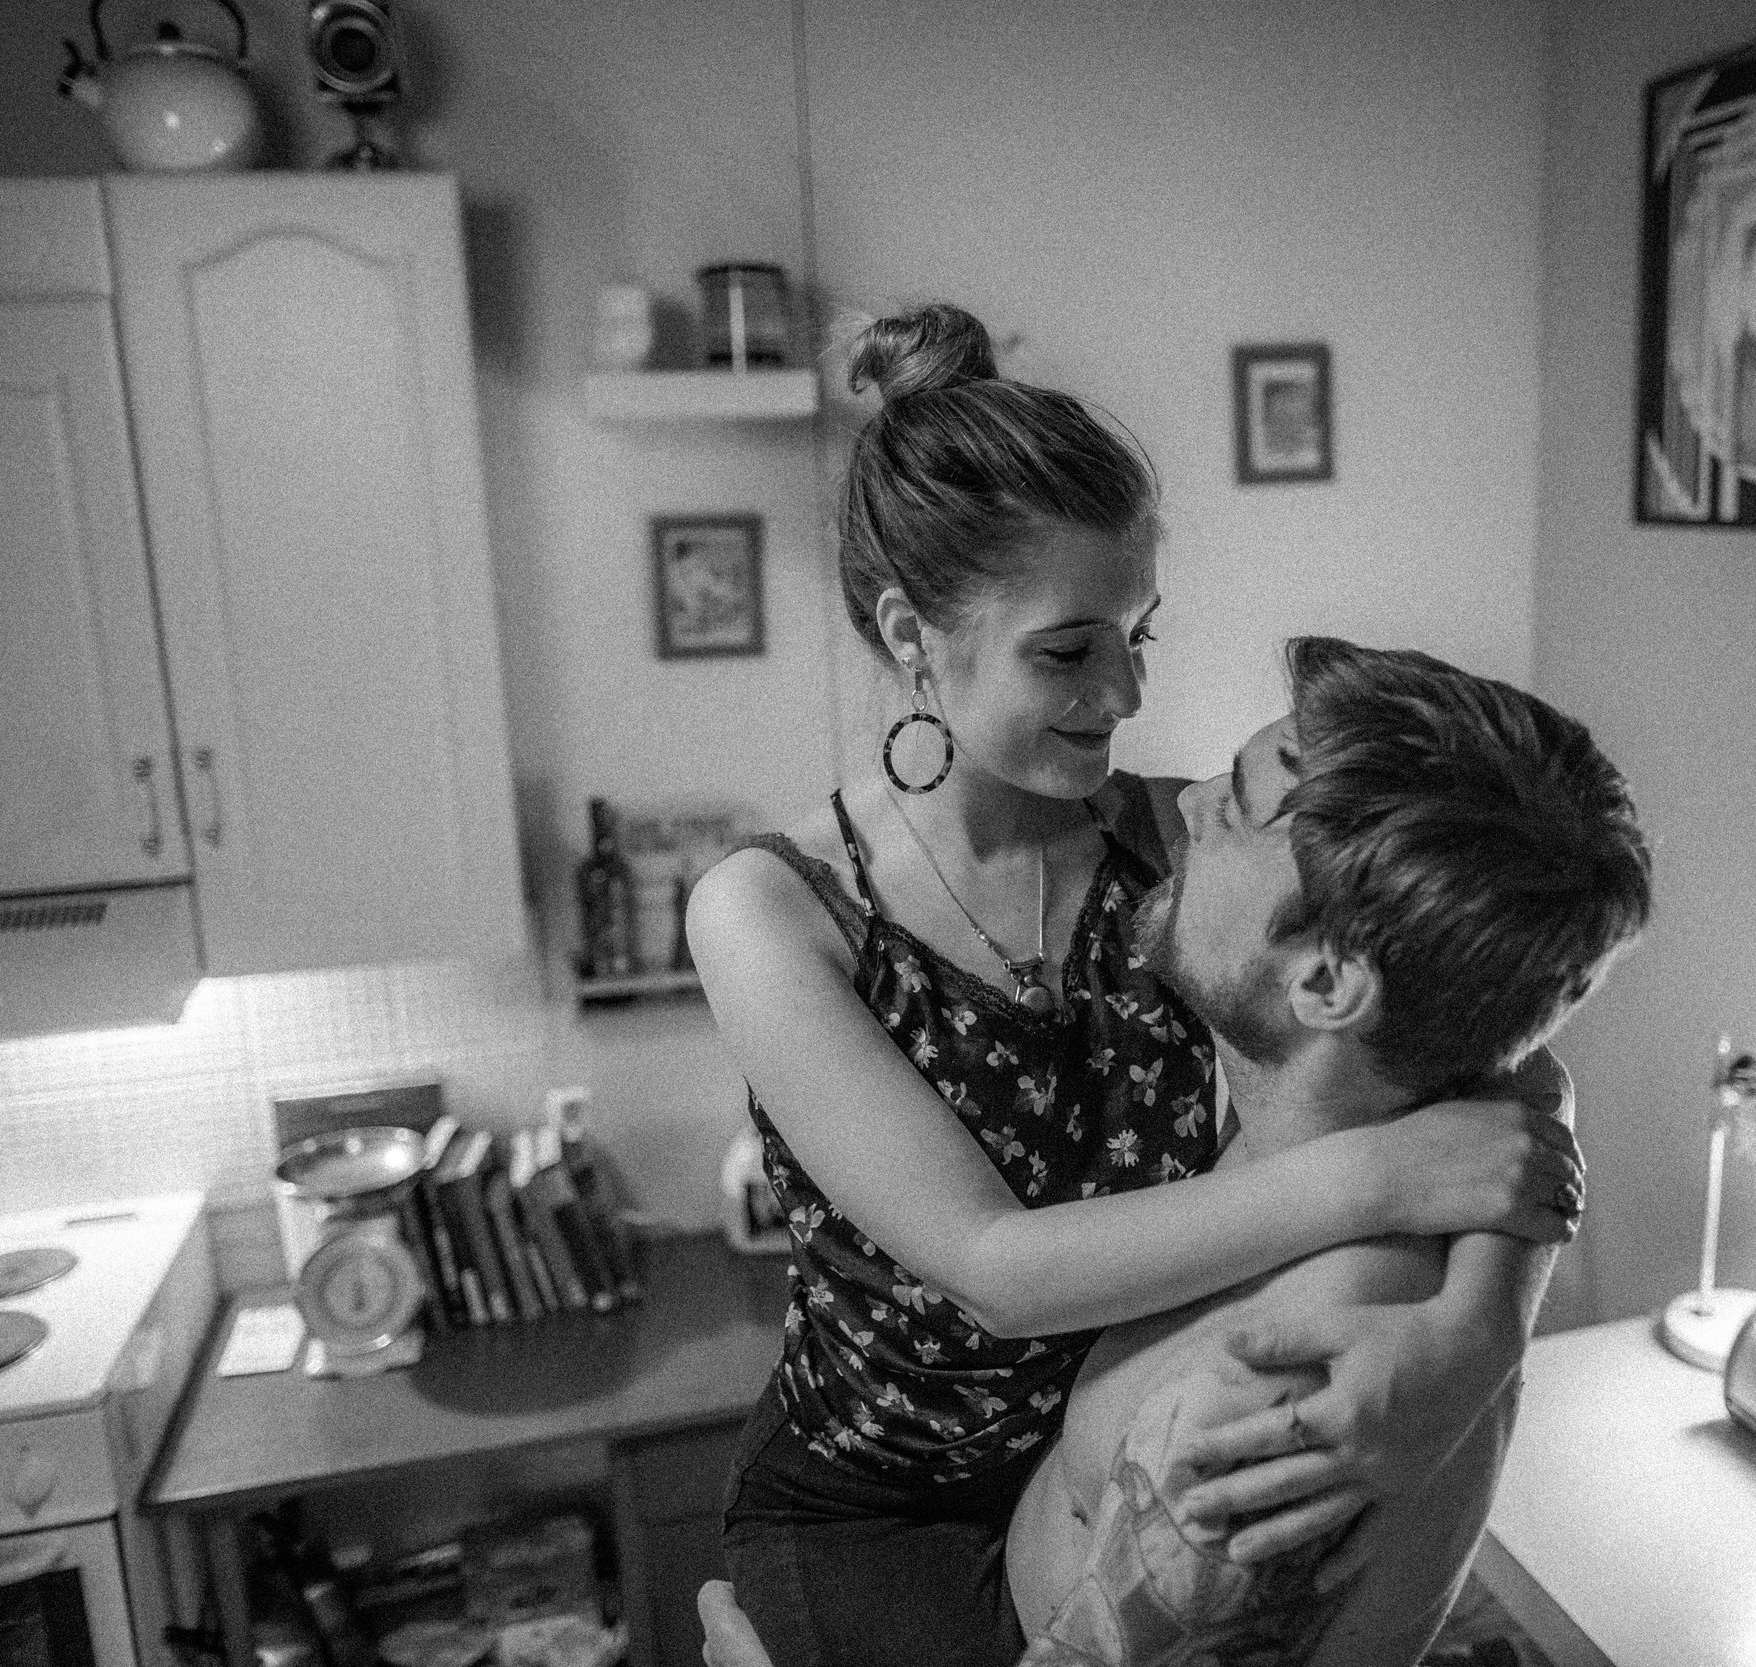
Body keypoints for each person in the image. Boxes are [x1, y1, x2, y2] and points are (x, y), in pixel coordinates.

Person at [685, 306, 1585, 1667]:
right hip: (874, 1510)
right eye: (1067, 650)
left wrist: (1469, 1341)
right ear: (914, 635)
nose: (1123, 692)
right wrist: (1377, 1178)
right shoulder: (775, 913)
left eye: (1139, 634)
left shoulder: (1178, 841)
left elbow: (1496, 1033)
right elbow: (994, 1269)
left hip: (1084, 1457)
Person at [1006, 636, 1651, 1663]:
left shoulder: (1289, 1391)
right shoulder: (1416, 1098)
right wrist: (1483, 1320)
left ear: (1326, 982)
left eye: (1238, 808)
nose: (1188, 804)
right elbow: (1536, 1072)